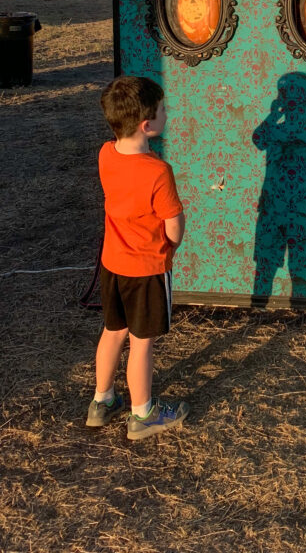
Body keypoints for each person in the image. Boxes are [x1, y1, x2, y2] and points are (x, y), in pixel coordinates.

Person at [85, 76, 190, 440]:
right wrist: (172, 246)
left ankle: (102, 400)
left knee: (113, 332)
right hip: (146, 270)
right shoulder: (158, 171)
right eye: (162, 109)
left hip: (112, 265)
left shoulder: (104, 153)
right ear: (148, 124)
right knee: (142, 343)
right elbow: (173, 223)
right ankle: (142, 413)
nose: (166, 113)